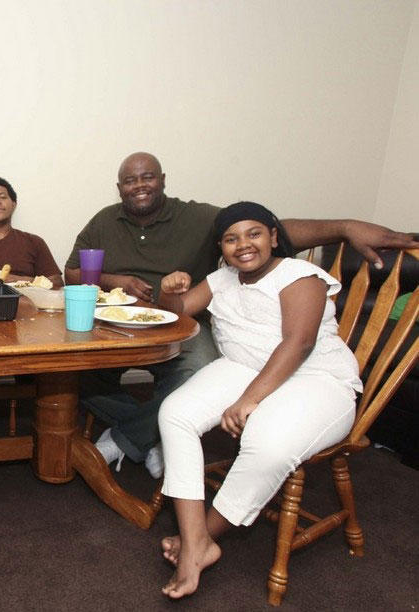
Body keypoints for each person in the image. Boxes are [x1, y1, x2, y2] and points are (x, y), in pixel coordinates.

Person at [63, 152, 418, 478]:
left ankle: (128, 438)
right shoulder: (104, 220)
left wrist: (344, 227)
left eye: (148, 177)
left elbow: (264, 228)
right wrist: (119, 280)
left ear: (163, 180)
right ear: (119, 188)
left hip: (185, 321)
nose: (139, 185)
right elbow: (72, 271)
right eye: (130, 180)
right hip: (115, 320)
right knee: (70, 368)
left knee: (200, 366)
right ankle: (154, 433)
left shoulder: (198, 217)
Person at [154, 201, 361, 599]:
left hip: (317, 379)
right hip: (245, 366)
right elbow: (177, 313)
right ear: (221, 247)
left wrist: (249, 400)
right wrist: (168, 292)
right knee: (175, 413)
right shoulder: (221, 279)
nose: (243, 245)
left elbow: (299, 343)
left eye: (254, 234)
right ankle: (196, 540)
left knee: (265, 443)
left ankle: (200, 540)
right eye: (231, 239)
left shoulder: (299, 275)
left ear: (274, 237)